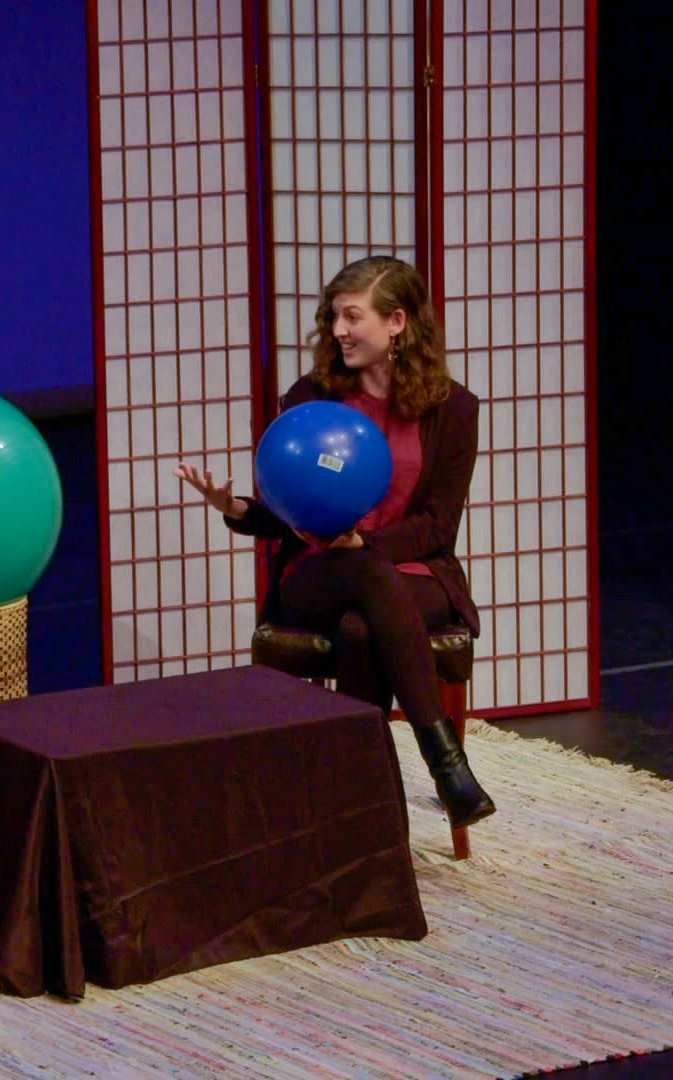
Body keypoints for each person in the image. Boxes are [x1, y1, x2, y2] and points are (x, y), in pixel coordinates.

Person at [176, 255, 495, 828]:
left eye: (353, 316)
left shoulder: (454, 409)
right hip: (319, 572)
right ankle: (446, 764)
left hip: (415, 572)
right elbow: (287, 509)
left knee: (362, 625)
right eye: (335, 317)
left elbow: (437, 525)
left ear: (396, 322)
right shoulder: (313, 399)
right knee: (368, 578)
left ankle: (355, 803)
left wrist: (367, 543)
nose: (339, 330)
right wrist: (237, 509)